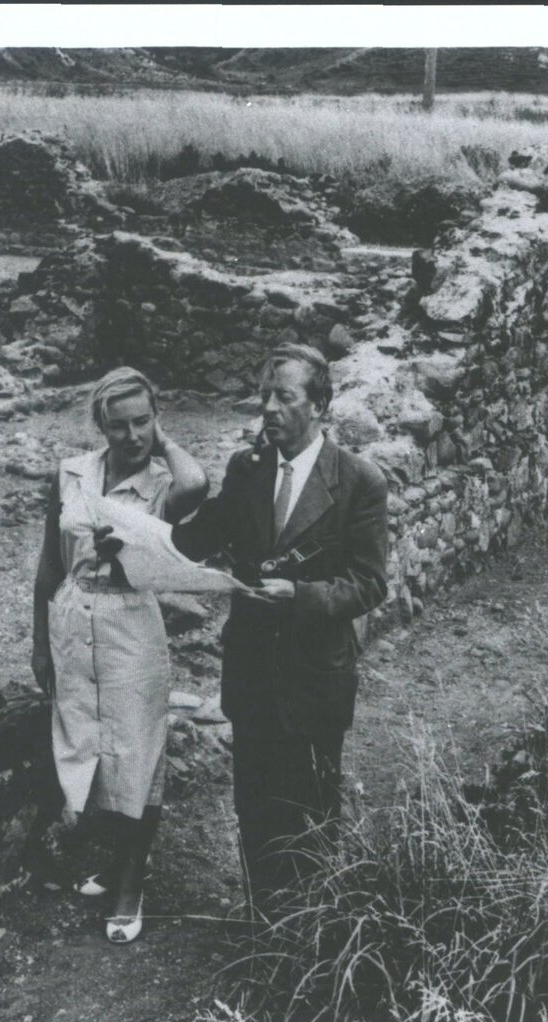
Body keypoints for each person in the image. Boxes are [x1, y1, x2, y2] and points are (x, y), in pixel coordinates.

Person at [158, 342, 390, 917]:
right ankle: (264, 927)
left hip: (315, 678)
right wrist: (143, 527)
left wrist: (302, 596)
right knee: (255, 807)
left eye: (284, 397)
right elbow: (202, 534)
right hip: (254, 672)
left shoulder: (359, 481)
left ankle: (312, 934)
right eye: (264, 395)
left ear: (319, 406)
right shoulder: (248, 469)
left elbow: (368, 582)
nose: (268, 408)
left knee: (311, 812)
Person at [31, 367, 219, 944]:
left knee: (137, 754)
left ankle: (131, 880)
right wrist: (39, 642)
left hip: (131, 629)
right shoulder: (71, 475)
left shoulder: (164, 483)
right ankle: (117, 860)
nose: (132, 435)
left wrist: (162, 436)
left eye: (143, 421)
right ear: (101, 427)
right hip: (72, 620)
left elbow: (200, 482)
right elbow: (48, 563)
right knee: (92, 747)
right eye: (120, 425)